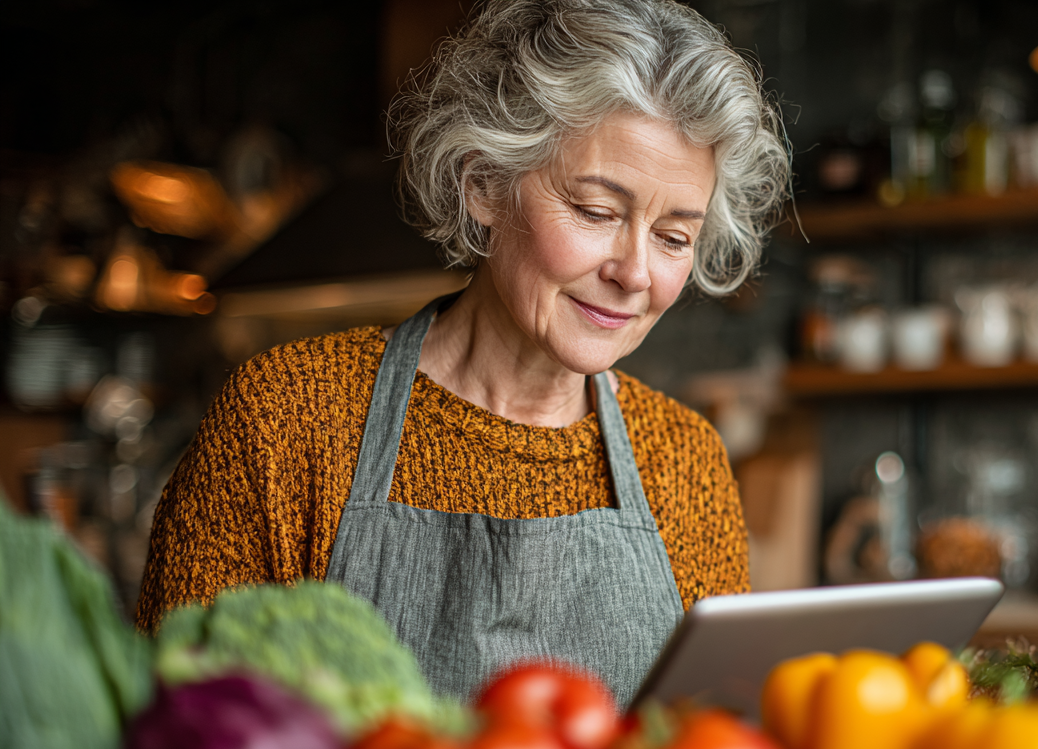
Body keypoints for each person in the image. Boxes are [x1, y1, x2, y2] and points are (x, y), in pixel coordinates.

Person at [136, 0, 789, 705]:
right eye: (597, 212)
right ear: (484, 185)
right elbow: (177, 741)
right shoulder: (289, 418)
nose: (635, 273)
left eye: (673, 237)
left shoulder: (685, 464)